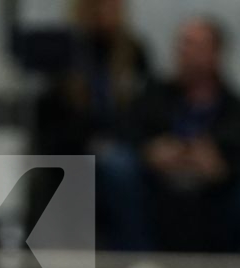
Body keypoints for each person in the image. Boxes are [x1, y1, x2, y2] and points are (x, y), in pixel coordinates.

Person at [127, 17, 240, 261]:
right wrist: (149, 152)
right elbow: (124, 133)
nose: (184, 52)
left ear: (216, 53)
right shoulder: (152, 97)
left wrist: (223, 168)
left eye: (193, 45)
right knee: (115, 166)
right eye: (181, 44)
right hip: (157, 194)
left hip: (218, 202)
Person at [14, 0, 154, 250]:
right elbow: (49, 113)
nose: (103, 13)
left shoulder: (133, 52)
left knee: (120, 166)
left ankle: (133, 253)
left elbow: (144, 110)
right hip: (72, 146)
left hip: (123, 147)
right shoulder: (65, 52)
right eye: (97, 7)